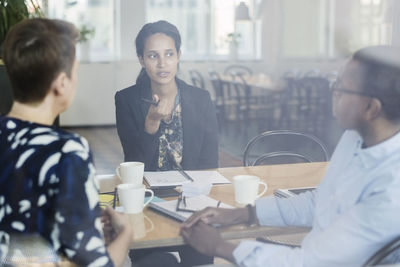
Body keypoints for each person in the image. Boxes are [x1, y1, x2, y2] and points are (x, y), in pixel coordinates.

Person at [180, 45, 400, 266]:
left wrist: (221, 247)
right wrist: (241, 214)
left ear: (371, 108)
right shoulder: (356, 136)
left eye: (341, 88)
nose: (332, 93)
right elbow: (320, 201)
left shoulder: (392, 190)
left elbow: (307, 263)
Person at [0, 18, 134, 266]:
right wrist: (126, 234)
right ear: (62, 84)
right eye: (75, 71)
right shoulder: (67, 151)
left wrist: (81, 227)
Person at [115, 20, 218, 171]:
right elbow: (133, 165)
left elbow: (210, 163)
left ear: (178, 56)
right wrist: (151, 122)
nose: (162, 63)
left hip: (192, 190)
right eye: (153, 56)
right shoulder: (126, 100)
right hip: (148, 191)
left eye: (169, 54)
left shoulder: (201, 99)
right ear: (141, 60)